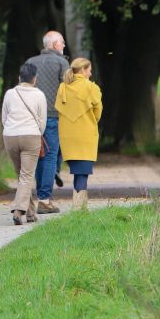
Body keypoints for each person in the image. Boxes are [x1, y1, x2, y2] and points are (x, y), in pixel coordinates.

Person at [28, 31, 70, 214]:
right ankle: (44, 199)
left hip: (32, 117)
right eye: (62, 43)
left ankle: (41, 194)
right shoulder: (62, 63)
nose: (64, 46)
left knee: (39, 155)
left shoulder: (30, 62)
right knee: (51, 155)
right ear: (55, 45)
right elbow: (67, 90)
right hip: (53, 115)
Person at [2, 63, 47, 224]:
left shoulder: (9, 94)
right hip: (31, 136)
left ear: (19, 77)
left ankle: (30, 213)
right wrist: (37, 133)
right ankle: (18, 210)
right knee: (27, 176)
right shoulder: (39, 95)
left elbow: (4, 118)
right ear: (34, 78)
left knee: (22, 175)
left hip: (10, 136)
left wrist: (12, 129)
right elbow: (42, 121)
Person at [55, 58, 103, 211]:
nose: (91, 73)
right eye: (89, 70)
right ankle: (79, 208)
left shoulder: (62, 87)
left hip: (67, 137)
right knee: (82, 173)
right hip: (85, 136)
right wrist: (89, 120)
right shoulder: (91, 87)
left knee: (78, 171)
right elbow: (98, 112)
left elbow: (58, 110)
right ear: (83, 70)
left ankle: (80, 206)